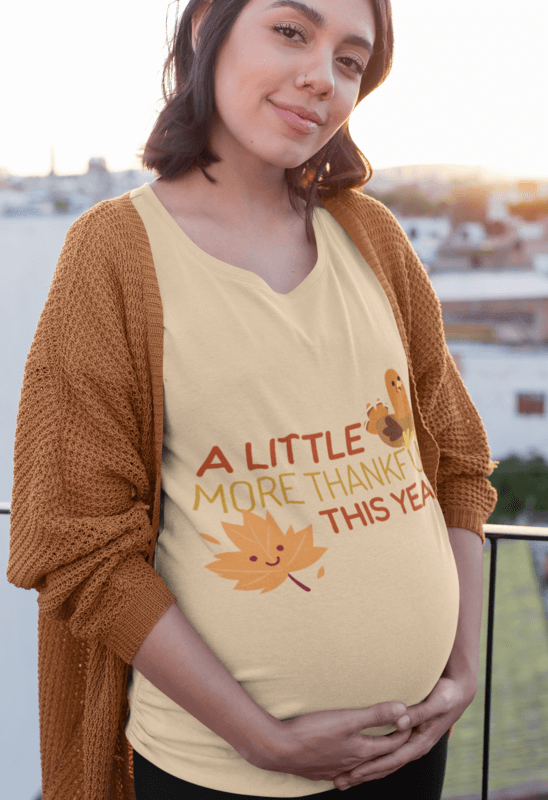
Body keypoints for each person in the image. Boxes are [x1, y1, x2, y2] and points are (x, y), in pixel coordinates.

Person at [6, 0, 498, 799]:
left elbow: (459, 465)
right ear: (206, 26)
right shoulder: (114, 255)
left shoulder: (371, 236)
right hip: (224, 775)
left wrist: (464, 669)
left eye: (349, 61)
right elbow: (75, 541)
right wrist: (260, 738)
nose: (322, 79)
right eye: (292, 31)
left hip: (410, 748)